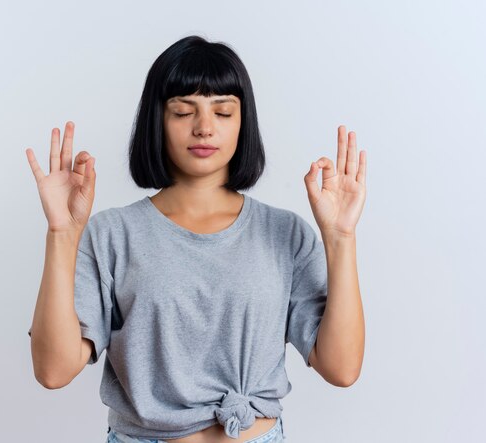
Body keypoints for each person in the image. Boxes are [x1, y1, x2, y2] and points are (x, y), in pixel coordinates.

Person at [25, 35, 366, 443]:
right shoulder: (112, 234)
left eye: (223, 112)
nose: (204, 127)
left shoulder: (285, 234)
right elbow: (53, 370)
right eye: (183, 111)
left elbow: (342, 369)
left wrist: (341, 237)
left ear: (244, 121)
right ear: (158, 120)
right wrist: (61, 234)